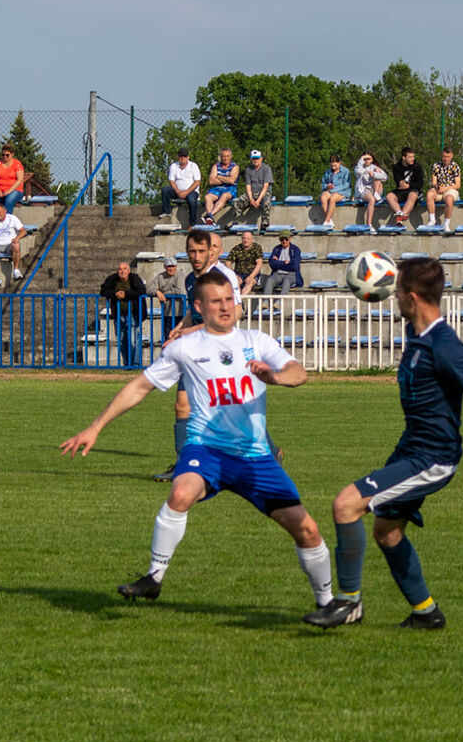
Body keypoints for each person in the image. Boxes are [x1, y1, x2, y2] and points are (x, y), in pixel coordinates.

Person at [60, 272, 333, 614]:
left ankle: (329, 603)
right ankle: (154, 578)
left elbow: (298, 372)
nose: (225, 306)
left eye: (229, 299)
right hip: (206, 449)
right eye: (216, 301)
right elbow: (140, 387)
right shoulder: (184, 348)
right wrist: (96, 427)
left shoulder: (257, 340)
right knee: (180, 493)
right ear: (199, 307)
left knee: (306, 528)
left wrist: (275, 377)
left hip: (255, 457)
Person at [306, 258, 463, 631]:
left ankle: (347, 603)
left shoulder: (443, 344)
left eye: (396, 293)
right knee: (387, 531)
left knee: (345, 505)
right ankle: (426, 613)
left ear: (411, 298)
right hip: (411, 448)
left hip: (432, 458)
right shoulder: (417, 332)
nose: (392, 298)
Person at [155, 229, 243, 481]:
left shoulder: (222, 277)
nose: (201, 254)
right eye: (193, 251)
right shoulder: (190, 280)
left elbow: (235, 310)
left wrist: (193, 330)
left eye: (206, 248)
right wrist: (180, 328)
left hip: (218, 349)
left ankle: (268, 452)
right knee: (182, 405)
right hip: (195, 348)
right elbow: (192, 313)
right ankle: (184, 465)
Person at [99, 261, 148, 368]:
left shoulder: (134, 278)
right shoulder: (113, 279)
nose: (122, 271)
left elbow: (141, 291)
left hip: (132, 314)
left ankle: (135, 364)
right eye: (120, 269)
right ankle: (126, 364)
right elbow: (103, 290)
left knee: (133, 340)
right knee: (121, 341)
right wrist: (115, 294)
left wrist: (126, 295)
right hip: (118, 314)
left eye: (125, 269)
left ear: (129, 270)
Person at [159, 148, 202, 226]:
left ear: (188, 157)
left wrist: (186, 192)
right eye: (181, 156)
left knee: (191, 200)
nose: (183, 158)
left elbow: (197, 182)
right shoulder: (173, 166)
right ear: (178, 157)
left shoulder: (194, 166)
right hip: (177, 191)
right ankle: (167, 212)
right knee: (165, 190)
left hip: (191, 191)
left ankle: (192, 223)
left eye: (184, 156)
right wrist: (177, 191)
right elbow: (171, 180)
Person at [385, 148, 424, 227]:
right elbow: (397, 179)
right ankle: (399, 212)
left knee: (412, 195)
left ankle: (401, 219)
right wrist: (400, 182)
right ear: (403, 157)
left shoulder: (417, 167)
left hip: (413, 190)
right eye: (410, 157)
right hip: (401, 190)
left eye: (413, 157)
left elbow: (420, 184)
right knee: (389, 196)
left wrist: (409, 185)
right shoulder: (396, 167)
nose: (412, 159)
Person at [0, 144, 27, 217]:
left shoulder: (17, 164)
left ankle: (6, 221)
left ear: (12, 154)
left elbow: (19, 180)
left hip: (15, 190)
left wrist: (9, 191)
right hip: (0, 189)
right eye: (3, 155)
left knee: (9, 201)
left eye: (7, 155)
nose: (5, 157)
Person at [203, 148, 239, 224]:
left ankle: (210, 215)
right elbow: (211, 181)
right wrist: (226, 179)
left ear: (231, 156)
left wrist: (219, 177)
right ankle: (210, 218)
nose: (225, 158)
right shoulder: (216, 166)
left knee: (224, 196)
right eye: (223, 156)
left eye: (227, 156)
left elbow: (231, 180)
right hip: (217, 189)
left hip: (229, 189)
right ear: (221, 157)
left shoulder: (235, 167)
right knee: (208, 197)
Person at [427, 147, 461, 227]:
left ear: (452, 156)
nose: (446, 159)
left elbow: (458, 185)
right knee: (429, 194)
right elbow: (434, 182)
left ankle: (446, 224)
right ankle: (432, 220)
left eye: (448, 157)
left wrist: (445, 188)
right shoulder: (436, 166)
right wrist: (437, 187)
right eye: (444, 156)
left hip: (451, 189)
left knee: (449, 200)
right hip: (439, 189)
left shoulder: (455, 166)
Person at [353, 153, 388, 227]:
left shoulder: (375, 167)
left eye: (368, 158)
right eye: (364, 159)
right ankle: (369, 224)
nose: (366, 160)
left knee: (378, 173)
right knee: (371, 199)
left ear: (372, 160)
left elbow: (385, 177)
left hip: (375, 189)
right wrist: (361, 160)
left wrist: (374, 174)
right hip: (364, 190)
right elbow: (359, 171)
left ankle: (376, 194)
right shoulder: (358, 167)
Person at [242, 149, 274, 230]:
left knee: (267, 202)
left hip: (264, 192)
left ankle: (265, 223)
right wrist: (251, 199)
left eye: (257, 158)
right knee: (238, 202)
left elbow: (266, 186)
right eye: (254, 159)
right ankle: (235, 222)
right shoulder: (248, 169)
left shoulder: (267, 169)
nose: (255, 160)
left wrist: (258, 200)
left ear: (261, 158)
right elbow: (248, 186)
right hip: (252, 193)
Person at [153, 255, 186, 332]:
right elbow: (149, 289)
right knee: (168, 339)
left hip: (179, 313)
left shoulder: (180, 275)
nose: (171, 268)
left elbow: (180, 290)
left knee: (179, 338)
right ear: (165, 266)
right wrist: (157, 292)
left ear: (176, 266)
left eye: (173, 266)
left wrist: (164, 294)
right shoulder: (160, 276)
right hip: (167, 313)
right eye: (169, 266)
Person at [318, 153, 352, 228]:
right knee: (323, 197)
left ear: (339, 163)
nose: (333, 168)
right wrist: (327, 186)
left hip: (343, 192)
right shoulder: (327, 172)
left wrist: (333, 190)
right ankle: (330, 220)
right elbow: (323, 184)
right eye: (331, 166)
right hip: (330, 191)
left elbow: (346, 185)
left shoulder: (346, 171)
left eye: (335, 165)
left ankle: (326, 221)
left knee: (333, 198)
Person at [228, 229, 264, 293]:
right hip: (239, 273)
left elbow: (259, 263)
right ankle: (239, 301)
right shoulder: (236, 248)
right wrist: (233, 274)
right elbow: (228, 262)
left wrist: (251, 276)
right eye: (244, 238)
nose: (245, 240)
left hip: (252, 273)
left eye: (248, 238)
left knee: (249, 283)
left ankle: (240, 300)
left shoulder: (257, 248)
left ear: (252, 239)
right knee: (235, 283)